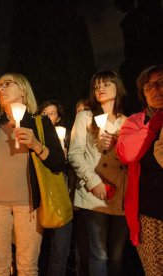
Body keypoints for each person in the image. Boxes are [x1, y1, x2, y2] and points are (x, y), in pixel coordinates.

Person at [0, 73, 66, 275]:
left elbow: (58, 163)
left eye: (7, 84)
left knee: (27, 267)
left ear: (23, 89)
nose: (0, 88)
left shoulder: (41, 123)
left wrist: (37, 145)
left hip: (29, 205)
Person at [68, 70, 128, 276]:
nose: (100, 88)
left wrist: (117, 145)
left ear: (117, 87)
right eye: (96, 86)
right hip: (94, 193)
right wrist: (93, 181)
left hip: (120, 195)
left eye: (106, 84)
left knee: (117, 257)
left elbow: (131, 159)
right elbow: (75, 154)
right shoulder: (85, 117)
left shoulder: (126, 122)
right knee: (99, 253)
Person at [116, 64, 163, 275]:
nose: (156, 89)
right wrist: (154, 124)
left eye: (161, 83)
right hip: (150, 213)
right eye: (148, 86)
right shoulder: (136, 121)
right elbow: (127, 153)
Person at [37, 100, 73, 276]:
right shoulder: (34, 137)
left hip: (61, 198)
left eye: (52, 113)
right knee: (39, 251)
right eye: (44, 112)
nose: (47, 116)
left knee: (60, 250)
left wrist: (63, 158)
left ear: (58, 118)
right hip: (40, 199)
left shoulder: (67, 138)